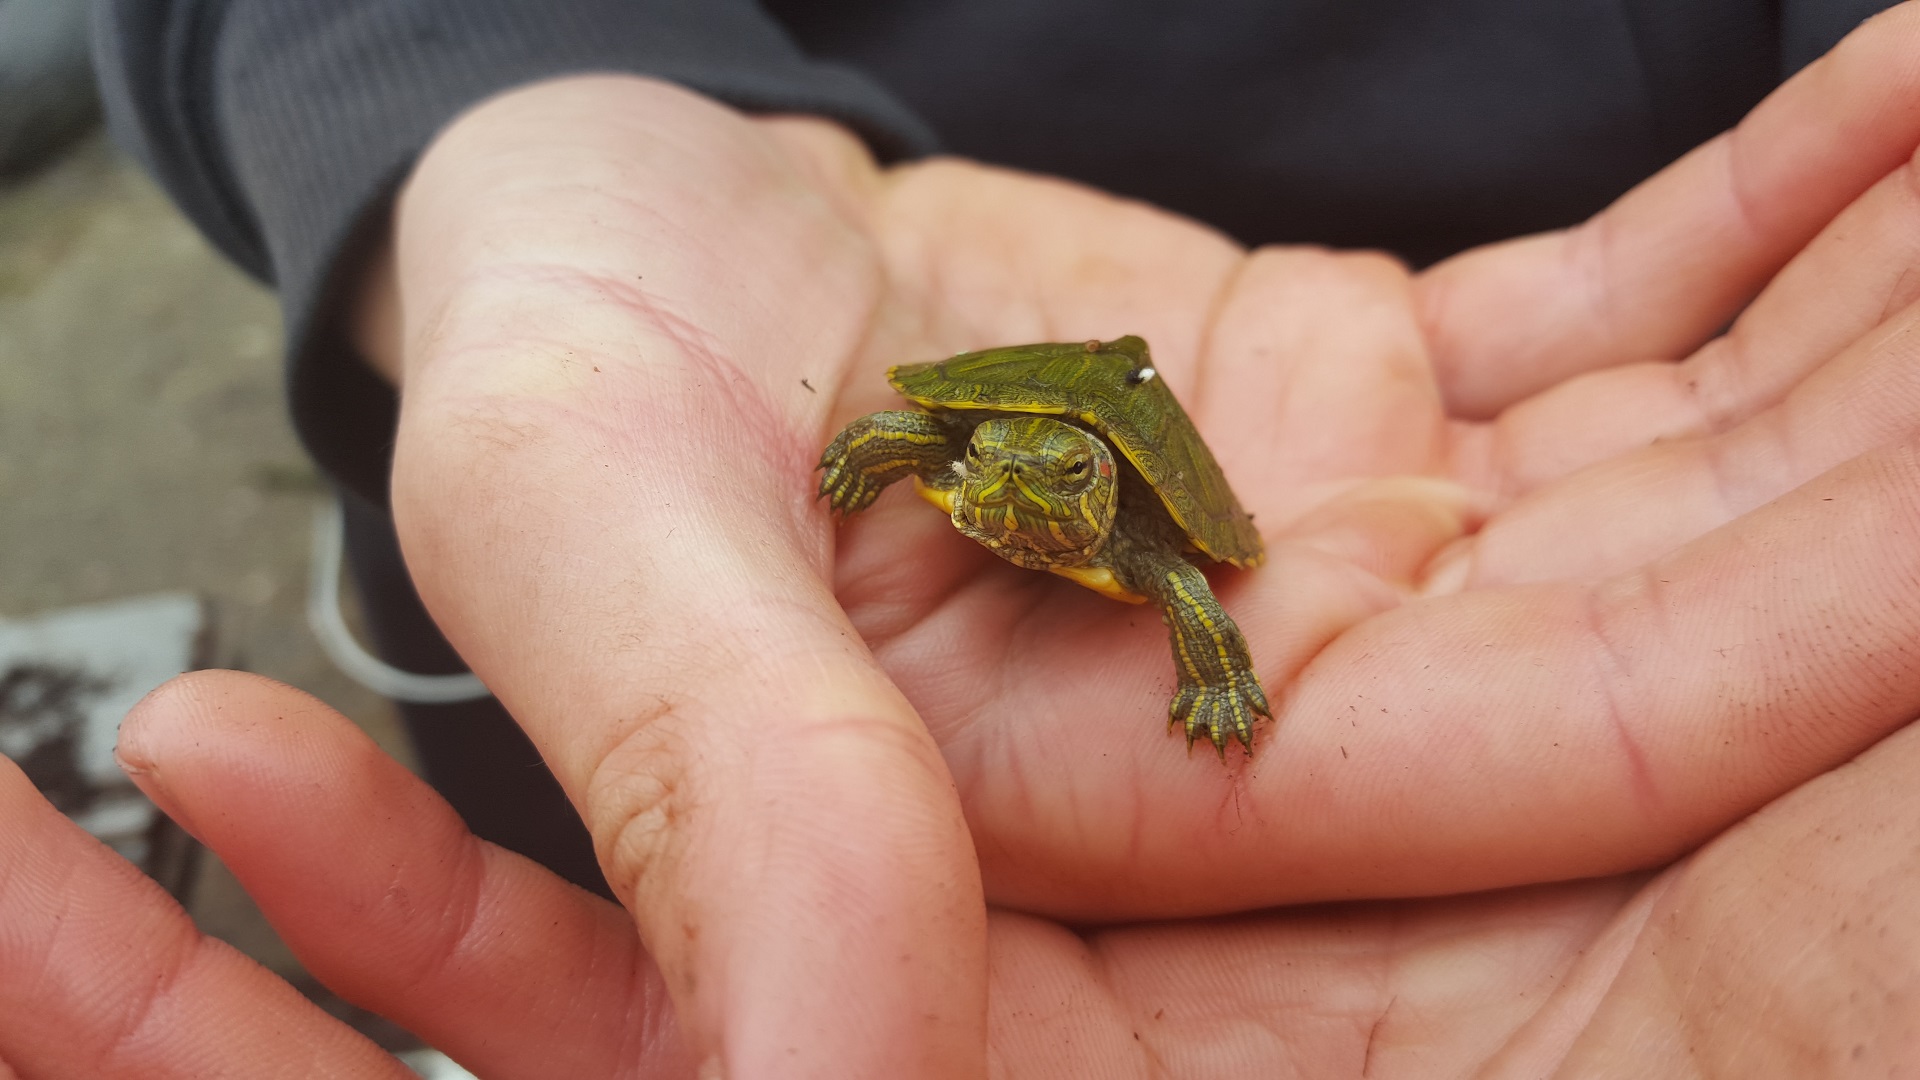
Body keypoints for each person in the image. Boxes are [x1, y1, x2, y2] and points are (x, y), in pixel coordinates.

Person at [4, 1, 1920, 1074]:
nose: (1009, 502)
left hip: (1599, 350)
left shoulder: (1117, 525)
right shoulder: (961, 448)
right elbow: (917, 429)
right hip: (566, 681)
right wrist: (471, 103)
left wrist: (1216, 662)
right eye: (1004, 483)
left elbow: (1187, 579)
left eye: (1034, 491)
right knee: (690, 859)